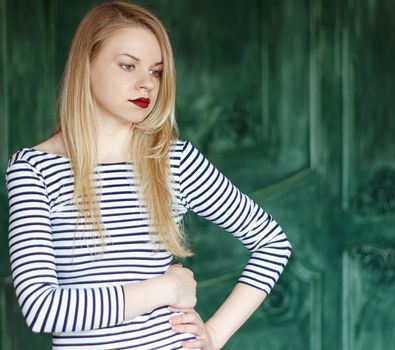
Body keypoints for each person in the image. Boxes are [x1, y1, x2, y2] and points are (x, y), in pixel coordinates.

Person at [5, 1, 292, 349]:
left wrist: (215, 334)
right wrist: (166, 288)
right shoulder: (34, 169)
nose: (147, 84)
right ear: (86, 64)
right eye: (128, 66)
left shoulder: (173, 161)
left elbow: (273, 243)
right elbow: (42, 310)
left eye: (156, 71)